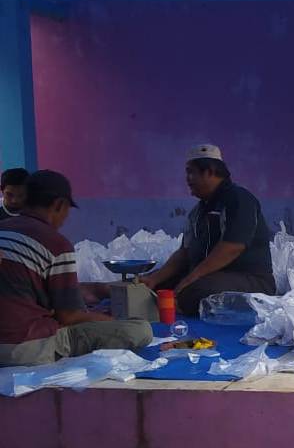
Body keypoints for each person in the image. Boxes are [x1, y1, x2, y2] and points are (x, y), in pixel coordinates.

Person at [0, 170, 152, 366]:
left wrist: (97, 291)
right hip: (26, 348)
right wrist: (112, 321)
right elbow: (69, 316)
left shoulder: (3, 229)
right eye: (67, 211)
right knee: (140, 329)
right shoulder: (56, 244)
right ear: (59, 205)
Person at [141, 144, 276, 316]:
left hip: (250, 279)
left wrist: (191, 278)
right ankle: (113, 293)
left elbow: (232, 247)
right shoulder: (198, 211)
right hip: (209, 275)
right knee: (149, 286)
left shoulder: (238, 199)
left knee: (192, 292)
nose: (187, 179)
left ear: (209, 171)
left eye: (191, 172)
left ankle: (175, 307)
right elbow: (184, 253)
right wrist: (155, 278)